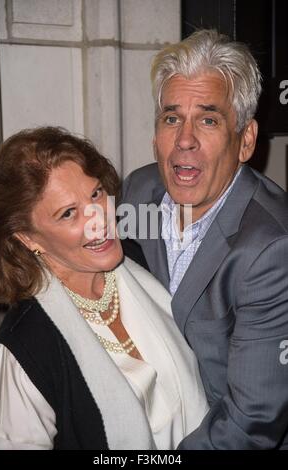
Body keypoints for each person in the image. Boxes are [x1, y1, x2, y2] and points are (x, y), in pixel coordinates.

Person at [0, 126, 208, 450]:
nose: (99, 219)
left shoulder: (139, 258)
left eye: (95, 194)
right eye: (68, 213)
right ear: (27, 238)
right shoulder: (25, 349)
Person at [121, 29, 288, 449]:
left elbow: (252, 424)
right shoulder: (138, 191)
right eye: (172, 118)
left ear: (245, 140)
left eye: (208, 119)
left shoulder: (272, 248)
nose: (184, 140)